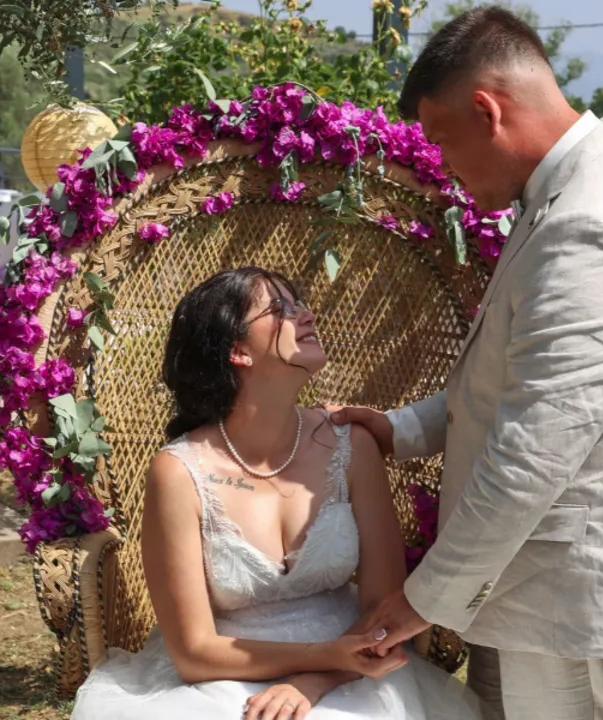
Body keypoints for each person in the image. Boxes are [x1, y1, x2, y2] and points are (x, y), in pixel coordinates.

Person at [331, 7, 603, 720]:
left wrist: (423, 600)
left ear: (488, 111)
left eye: (443, 141)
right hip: (535, 576)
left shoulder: (591, 228)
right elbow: (516, 381)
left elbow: (533, 453)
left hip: (569, 589)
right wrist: (401, 430)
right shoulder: (590, 176)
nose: (444, 166)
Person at [71, 268, 485, 720]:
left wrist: (316, 680)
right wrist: (322, 656)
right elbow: (193, 652)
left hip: (352, 669)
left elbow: (384, 610)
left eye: (299, 304)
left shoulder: (353, 444)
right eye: (279, 309)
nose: (306, 315)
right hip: (225, 672)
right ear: (237, 350)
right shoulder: (179, 471)